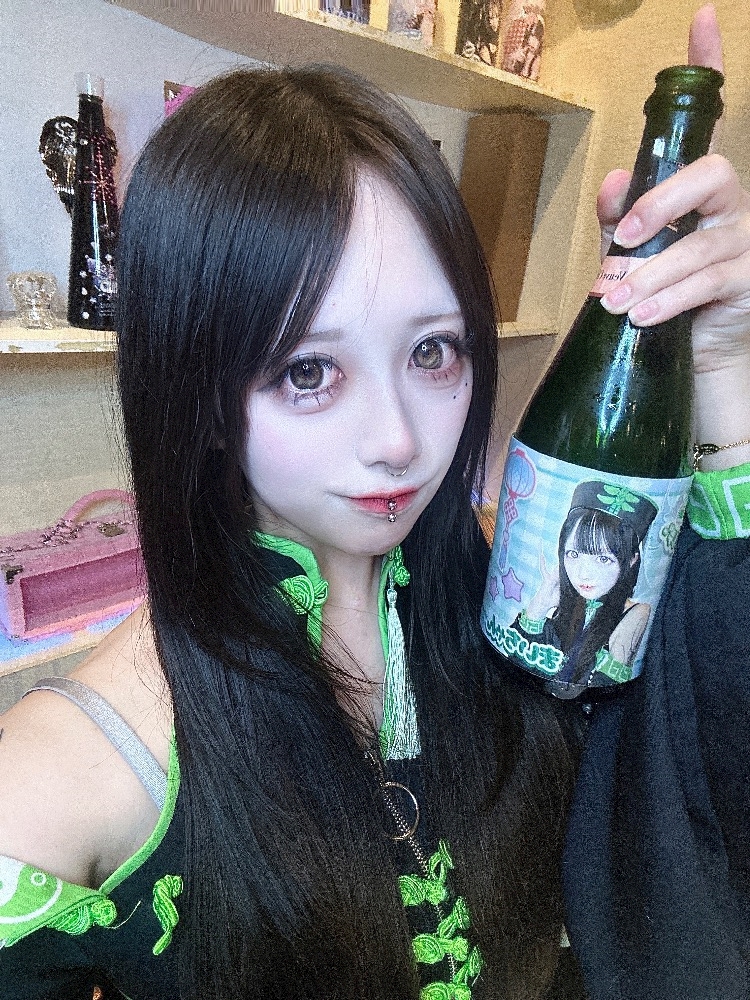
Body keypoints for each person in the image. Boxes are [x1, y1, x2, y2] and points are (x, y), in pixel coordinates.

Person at [1, 6, 749, 999]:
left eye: (433, 350)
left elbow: (705, 782)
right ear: (200, 394)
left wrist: (725, 375)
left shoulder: (513, 599)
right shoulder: (76, 768)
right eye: (308, 371)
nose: (398, 437)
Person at [514, 481, 657, 698]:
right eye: (573, 554)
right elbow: (517, 659)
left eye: (603, 559)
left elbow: (604, 685)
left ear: (631, 560)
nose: (584, 574)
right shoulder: (566, 602)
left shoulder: (636, 612)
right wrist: (541, 602)